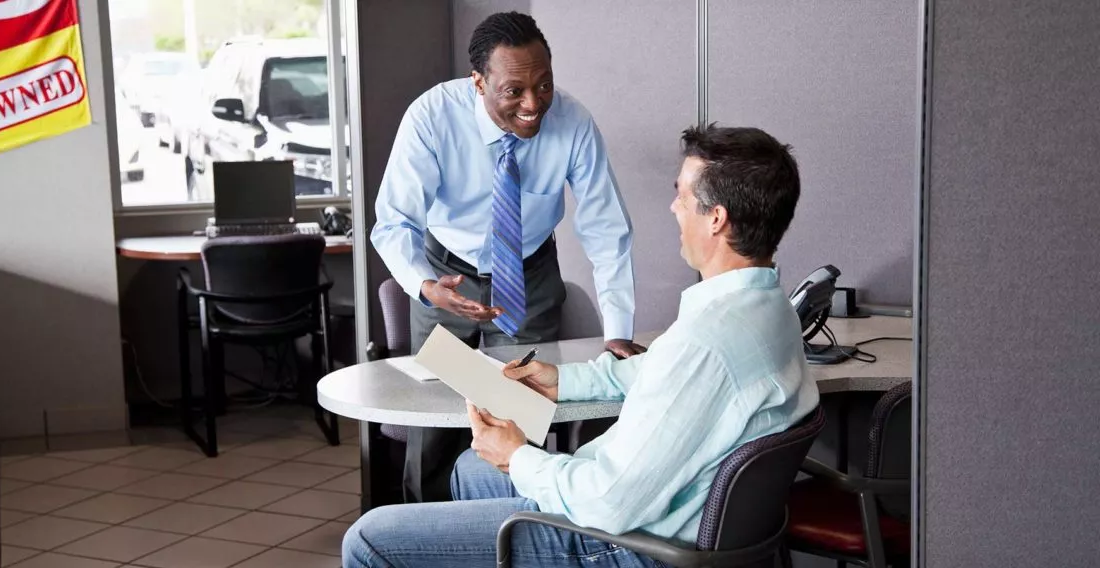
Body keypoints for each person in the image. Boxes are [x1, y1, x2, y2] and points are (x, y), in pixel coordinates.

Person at [343, 123, 820, 567]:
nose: (674, 206)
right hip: (664, 518)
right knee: (470, 468)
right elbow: (655, 372)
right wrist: (560, 381)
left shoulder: (708, 344)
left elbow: (609, 501)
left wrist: (519, 456)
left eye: (681, 194)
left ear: (716, 218)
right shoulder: (766, 307)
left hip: (628, 546)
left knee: (366, 538)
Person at [371, 11, 644, 503]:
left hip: (528, 273)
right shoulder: (433, 116)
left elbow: (608, 230)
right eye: (514, 91)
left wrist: (618, 331)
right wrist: (424, 284)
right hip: (444, 274)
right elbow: (393, 222)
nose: (533, 104)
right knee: (435, 426)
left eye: (544, 85)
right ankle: (423, 538)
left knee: (519, 421)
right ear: (479, 82)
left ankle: (508, 538)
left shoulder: (573, 121)